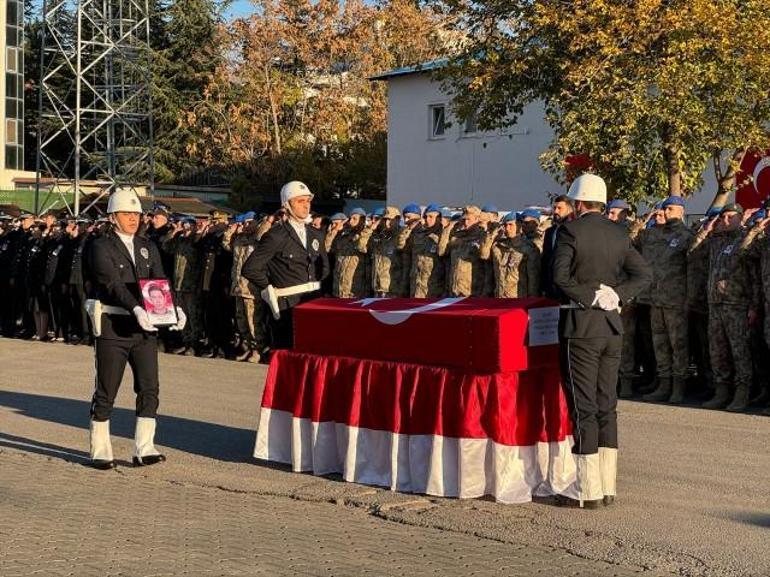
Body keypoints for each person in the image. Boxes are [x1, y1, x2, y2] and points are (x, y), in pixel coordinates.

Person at [552, 173, 651, 508]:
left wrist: (589, 297)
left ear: (578, 202)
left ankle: (586, 490)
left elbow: (559, 277)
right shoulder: (619, 232)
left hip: (581, 326)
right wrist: (616, 295)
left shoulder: (570, 230)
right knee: (607, 405)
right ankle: (607, 486)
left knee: (584, 406)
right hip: (612, 327)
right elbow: (644, 274)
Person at [87, 187, 186, 470]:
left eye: (136, 213)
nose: (133, 218)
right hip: (113, 327)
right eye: (126, 213)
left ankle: (145, 447)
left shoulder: (147, 246)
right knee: (107, 389)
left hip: (145, 330)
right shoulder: (100, 246)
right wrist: (136, 308)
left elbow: (159, 280)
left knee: (149, 388)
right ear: (112, 216)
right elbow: (111, 284)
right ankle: (100, 448)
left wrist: (174, 308)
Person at [241, 181, 329, 349]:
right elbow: (251, 268)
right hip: (288, 305)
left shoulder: (316, 234)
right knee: (289, 355)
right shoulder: (276, 236)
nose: (306, 206)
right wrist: (269, 289)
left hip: (313, 302)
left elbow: (324, 268)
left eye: (308, 201)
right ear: (287, 205)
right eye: (300, 201)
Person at [691, 203, 759, 411]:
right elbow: (693, 253)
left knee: (739, 351)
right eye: (723, 217)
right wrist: (708, 229)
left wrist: (754, 305)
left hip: (737, 304)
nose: (726, 221)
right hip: (716, 304)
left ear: (740, 217)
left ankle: (742, 393)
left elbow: (755, 276)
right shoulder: (717, 242)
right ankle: (722, 391)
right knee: (717, 350)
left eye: (731, 217)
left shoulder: (746, 240)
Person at [640, 196, 694, 404]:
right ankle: (664, 383)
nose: (666, 212)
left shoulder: (686, 236)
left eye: (670, 208)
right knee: (659, 344)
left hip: (676, 300)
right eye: (664, 209)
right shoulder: (655, 235)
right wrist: (648, 217)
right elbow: (633, 236)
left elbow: (693, 269)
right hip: (656, 299)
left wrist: (690, 298)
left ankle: (678, 386)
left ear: (681, 211)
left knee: (678, 345)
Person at [480, 212, 541, 297]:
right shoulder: (498, 246)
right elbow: (484, 255)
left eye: (511, 225)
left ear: (519, 226)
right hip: (499, 297)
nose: (507, 228)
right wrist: (492, 235)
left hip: (518, 298)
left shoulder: (529, 248)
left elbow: (533, 279)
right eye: (505, 225)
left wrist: (532, 299)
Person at [541, 195, 574, 300]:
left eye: (560, 208)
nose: (555, 211)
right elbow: (546, 260)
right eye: (554, 208)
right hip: (551, 290)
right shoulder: (550, 232)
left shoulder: (574, 231)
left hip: (568, 290)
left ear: (569, 210)